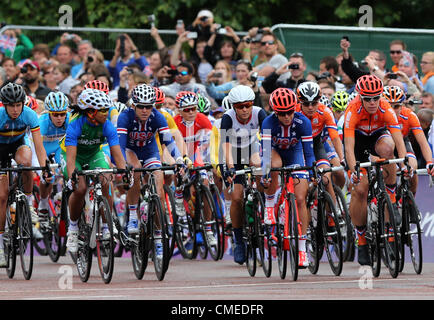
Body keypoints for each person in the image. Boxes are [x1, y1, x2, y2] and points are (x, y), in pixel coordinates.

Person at [343, 74, 408, 266]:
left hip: (378, 136)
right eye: (367, 98)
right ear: (360, 97)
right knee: (361, 190)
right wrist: (354, 170)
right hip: (357, 142)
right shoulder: (352, 110)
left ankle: (392, 197)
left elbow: (398, 139)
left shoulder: (386, 107)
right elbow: (348, 147)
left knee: (389, 150)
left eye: (376, 97)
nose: (372, 102)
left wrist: (403, 163)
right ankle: (362, 240)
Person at [116, 85, 184, 261]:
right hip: (130, 151)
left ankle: (159, 238)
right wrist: (123, 166)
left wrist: (179, 160)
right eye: (141, 106)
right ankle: (132, 214)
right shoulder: (125, 117)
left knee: (159, 191)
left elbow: (169, 142)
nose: (145, 110)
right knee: (136, 172)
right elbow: (121, 146)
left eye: (149, 106)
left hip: (150, 151)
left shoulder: (158, 117)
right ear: (133, 105)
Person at [61, 88, 129, 254]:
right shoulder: (75, 125)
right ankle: (74, 228)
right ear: (91, 112)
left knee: (106, 179)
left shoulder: (107, 126)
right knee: (80, 188)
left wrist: (125, 170)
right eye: (103, 110)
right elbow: (70, 159)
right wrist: (72, 177)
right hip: (73, 156)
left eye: (107, 109)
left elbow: (117, 153)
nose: (107, 113)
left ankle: (107, 225)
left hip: (93, 154)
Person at [260, 87, 315, 268]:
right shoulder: (268, 123)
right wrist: (266, 175)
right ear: (275, 112)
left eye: (290, 111)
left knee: (300, 199)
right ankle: (269, 204)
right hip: (275, 153)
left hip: (295, 153)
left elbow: (309, 153)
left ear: (295, 108)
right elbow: (266, 153)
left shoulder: (303, 122)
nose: (287, 117)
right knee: (273, 166)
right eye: (282, 113)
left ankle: (302, 249)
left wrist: (312, 173)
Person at [0, 83, 50, 266]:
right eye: (10, 105)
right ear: (4, 105)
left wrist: (45, 168)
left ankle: (28, 204)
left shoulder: (29, 114)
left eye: (18, 105)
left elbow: (38, 146)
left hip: (17, 144)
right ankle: (0, 248)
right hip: (0, 150)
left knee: (27, 163)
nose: (15, 109)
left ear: (23, 103)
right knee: (2, 196)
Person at [220, 85, 267, 264]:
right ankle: (239, 241)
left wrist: (266, 166)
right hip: (234, 152)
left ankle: (261, 204)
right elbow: (225, 147)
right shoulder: (227, 118)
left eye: (247, 105)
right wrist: (230, 167)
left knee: (260, 168)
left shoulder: (260, 113)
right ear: (233, 107)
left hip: (253, 148)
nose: (245, 109)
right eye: (240, 106)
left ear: (252, 104)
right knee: (237, 197)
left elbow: (267, 140)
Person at [173, 91, 217, 246]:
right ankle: (178, 193)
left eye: (194, 108)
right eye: (187, 110)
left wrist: (214, 161)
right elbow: (170, 147)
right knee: (178, 171)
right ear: (179, 110)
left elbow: (211, 144)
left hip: (195, 152)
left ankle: (209, 228)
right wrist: (180, 162)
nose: (191, 112)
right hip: (178, 152)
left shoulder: (203, 119)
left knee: (205, 182)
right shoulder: (175, 122)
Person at [295, 81, 344, 206]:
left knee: (326, 177)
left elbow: (334, 137)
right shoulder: (294, 113)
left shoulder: (325, 111)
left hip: (317, 145)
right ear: (300, 102)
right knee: (304, 187)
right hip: (298, 147)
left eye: (314, 103)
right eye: (306, 104)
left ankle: (333, 215)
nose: (310, 107)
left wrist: (342, 158)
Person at [382, 85, 434, 196]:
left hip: (403, 144)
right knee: (386, 171)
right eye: (388, 106)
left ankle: (410, 203)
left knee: (412, 169)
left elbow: (423, 142)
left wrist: (429, 162)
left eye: (396, 106)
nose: (392, 110)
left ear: (402, 106)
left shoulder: (409, 115)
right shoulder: (378, 116)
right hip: (382, 147)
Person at [36, 92, 71, 227]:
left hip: (59, 148)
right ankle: (43, 204)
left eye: (62, 114)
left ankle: (63, 194)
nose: (59, 118)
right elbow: (37, 148)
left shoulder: (70, 119)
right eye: (55, 114)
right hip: (44, 149)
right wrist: (44, 167)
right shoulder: (42, 122)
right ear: (49, 113)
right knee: (48, 176)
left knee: (69, 169)